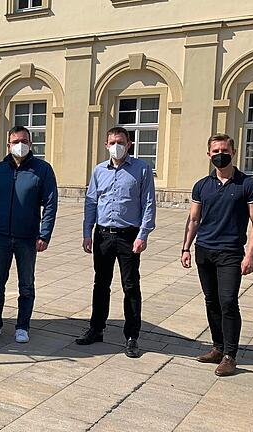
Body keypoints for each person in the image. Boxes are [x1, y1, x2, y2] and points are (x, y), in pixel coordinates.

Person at [180, 134, 253, 376]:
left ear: (233, 152)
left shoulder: (248, 185)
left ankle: (230, 355)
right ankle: (217, 347)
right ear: (208, 154)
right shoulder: (202, 185)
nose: (220, 154)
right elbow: (194, 219)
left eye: (224, 150)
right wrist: (186, 247)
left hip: (230, 253)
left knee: (228, 301)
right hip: (204, 251)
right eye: (215, 150)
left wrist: (251, 255)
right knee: (211, 300)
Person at [78, 126, 156, 358]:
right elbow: (91, 201)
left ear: (129, 144)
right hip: (102, 235)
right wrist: (86, 232)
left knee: (130, 285)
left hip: (128, 236)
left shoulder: (142, 169)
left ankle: (132, 336)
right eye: (112, 142)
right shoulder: (99, 170)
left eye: (120, 142)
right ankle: (96, 328)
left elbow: (149, 203)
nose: (116, 146)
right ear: (106, 145)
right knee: (100, 284)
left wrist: (143, 234)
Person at [0, 125, 58, 343]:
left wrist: (45, 234)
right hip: (1, 236)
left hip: (27, 237)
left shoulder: (42, 169)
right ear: (8, 145)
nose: (19, 145)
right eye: (15, 142)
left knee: (26, 285)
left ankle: (23, 326)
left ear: (30, 143)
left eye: (23, 141)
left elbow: (50, 203)